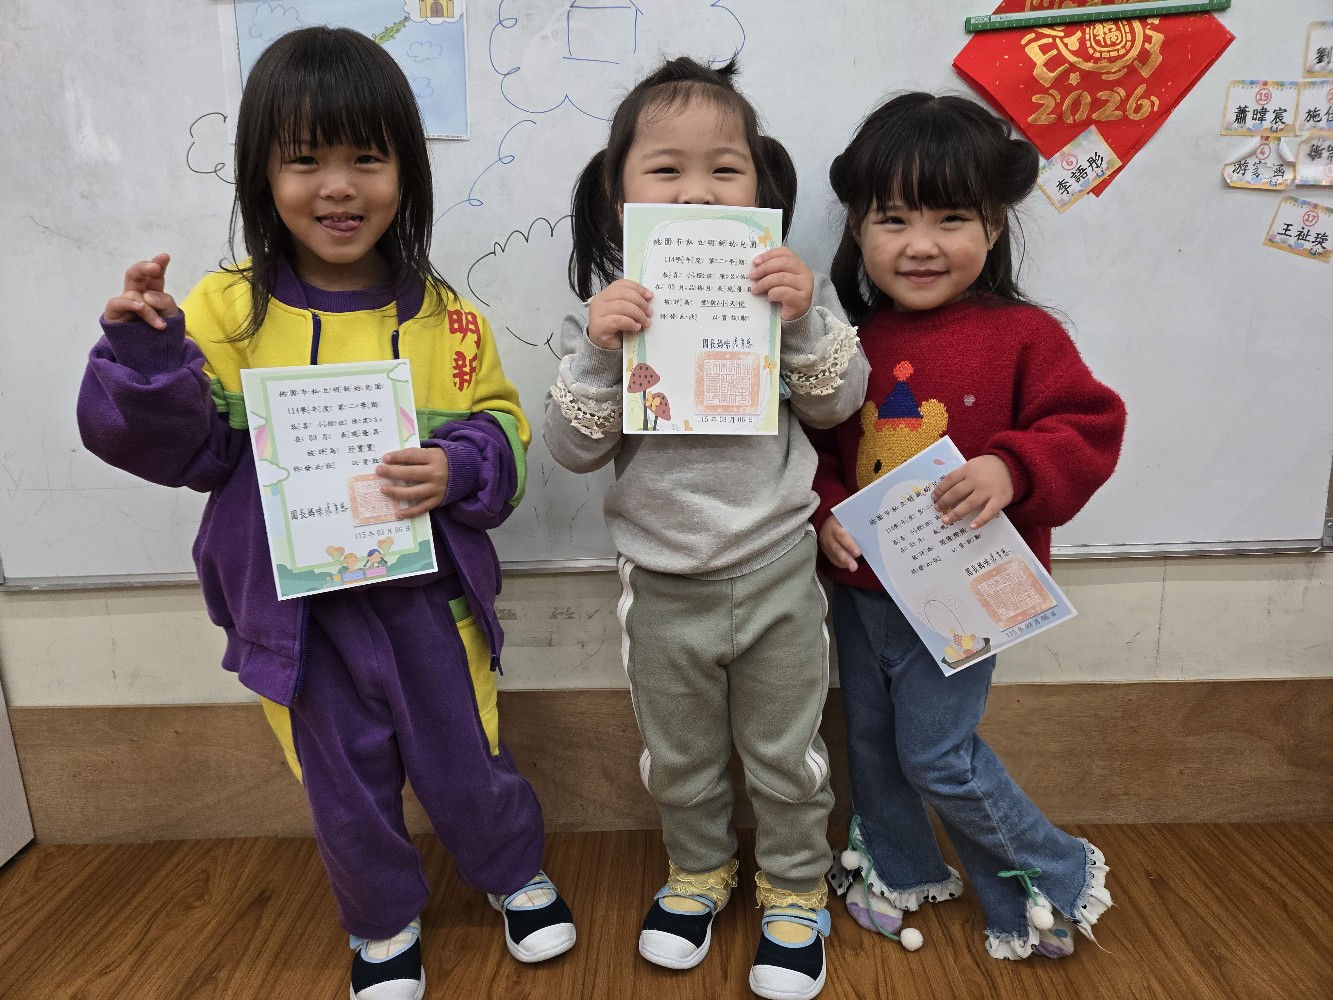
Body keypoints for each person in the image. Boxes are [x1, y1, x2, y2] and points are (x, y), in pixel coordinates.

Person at [77, 26, 575, 1000]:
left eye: (366, 158)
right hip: (297, 613)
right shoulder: (224, 312)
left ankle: (513, 870)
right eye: (304, 159)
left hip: (425, 602)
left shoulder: (446, 318)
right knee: (342, 781)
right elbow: (184, 450)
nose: (337, 187)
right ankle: (381, 922)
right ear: (262, 173)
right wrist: (146, 361)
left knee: (466, 754)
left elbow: (502, 430)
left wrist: (458, 463)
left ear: (406, 173)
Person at [543, 56, 868, 1000]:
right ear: (618, 196)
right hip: (661, 578)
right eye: (665, 169)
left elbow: (838, 404)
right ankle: (696, 872)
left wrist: (800, 320)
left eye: (724, 169)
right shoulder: (603, 318)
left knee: (787, 752)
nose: (696, 191)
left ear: (760, 188)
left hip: (776, 564)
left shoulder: (789, 296)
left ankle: (794, 888)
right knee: (679, 755)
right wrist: (600, 351)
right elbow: (572, 449)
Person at [810, 92, 1126, 961]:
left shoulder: (1023, 335)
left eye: (950, 218)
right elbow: (819, 450)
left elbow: (1089, 427)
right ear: (857, 228)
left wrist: (1011, 467)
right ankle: (899, 870)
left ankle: (1050, 875)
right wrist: (826, 510)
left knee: (936, 754)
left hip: (967, 593)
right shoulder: (845, 341)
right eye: (893, 219)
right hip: (863, 591)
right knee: (871, 744)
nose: (920, 244)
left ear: (993, 224)